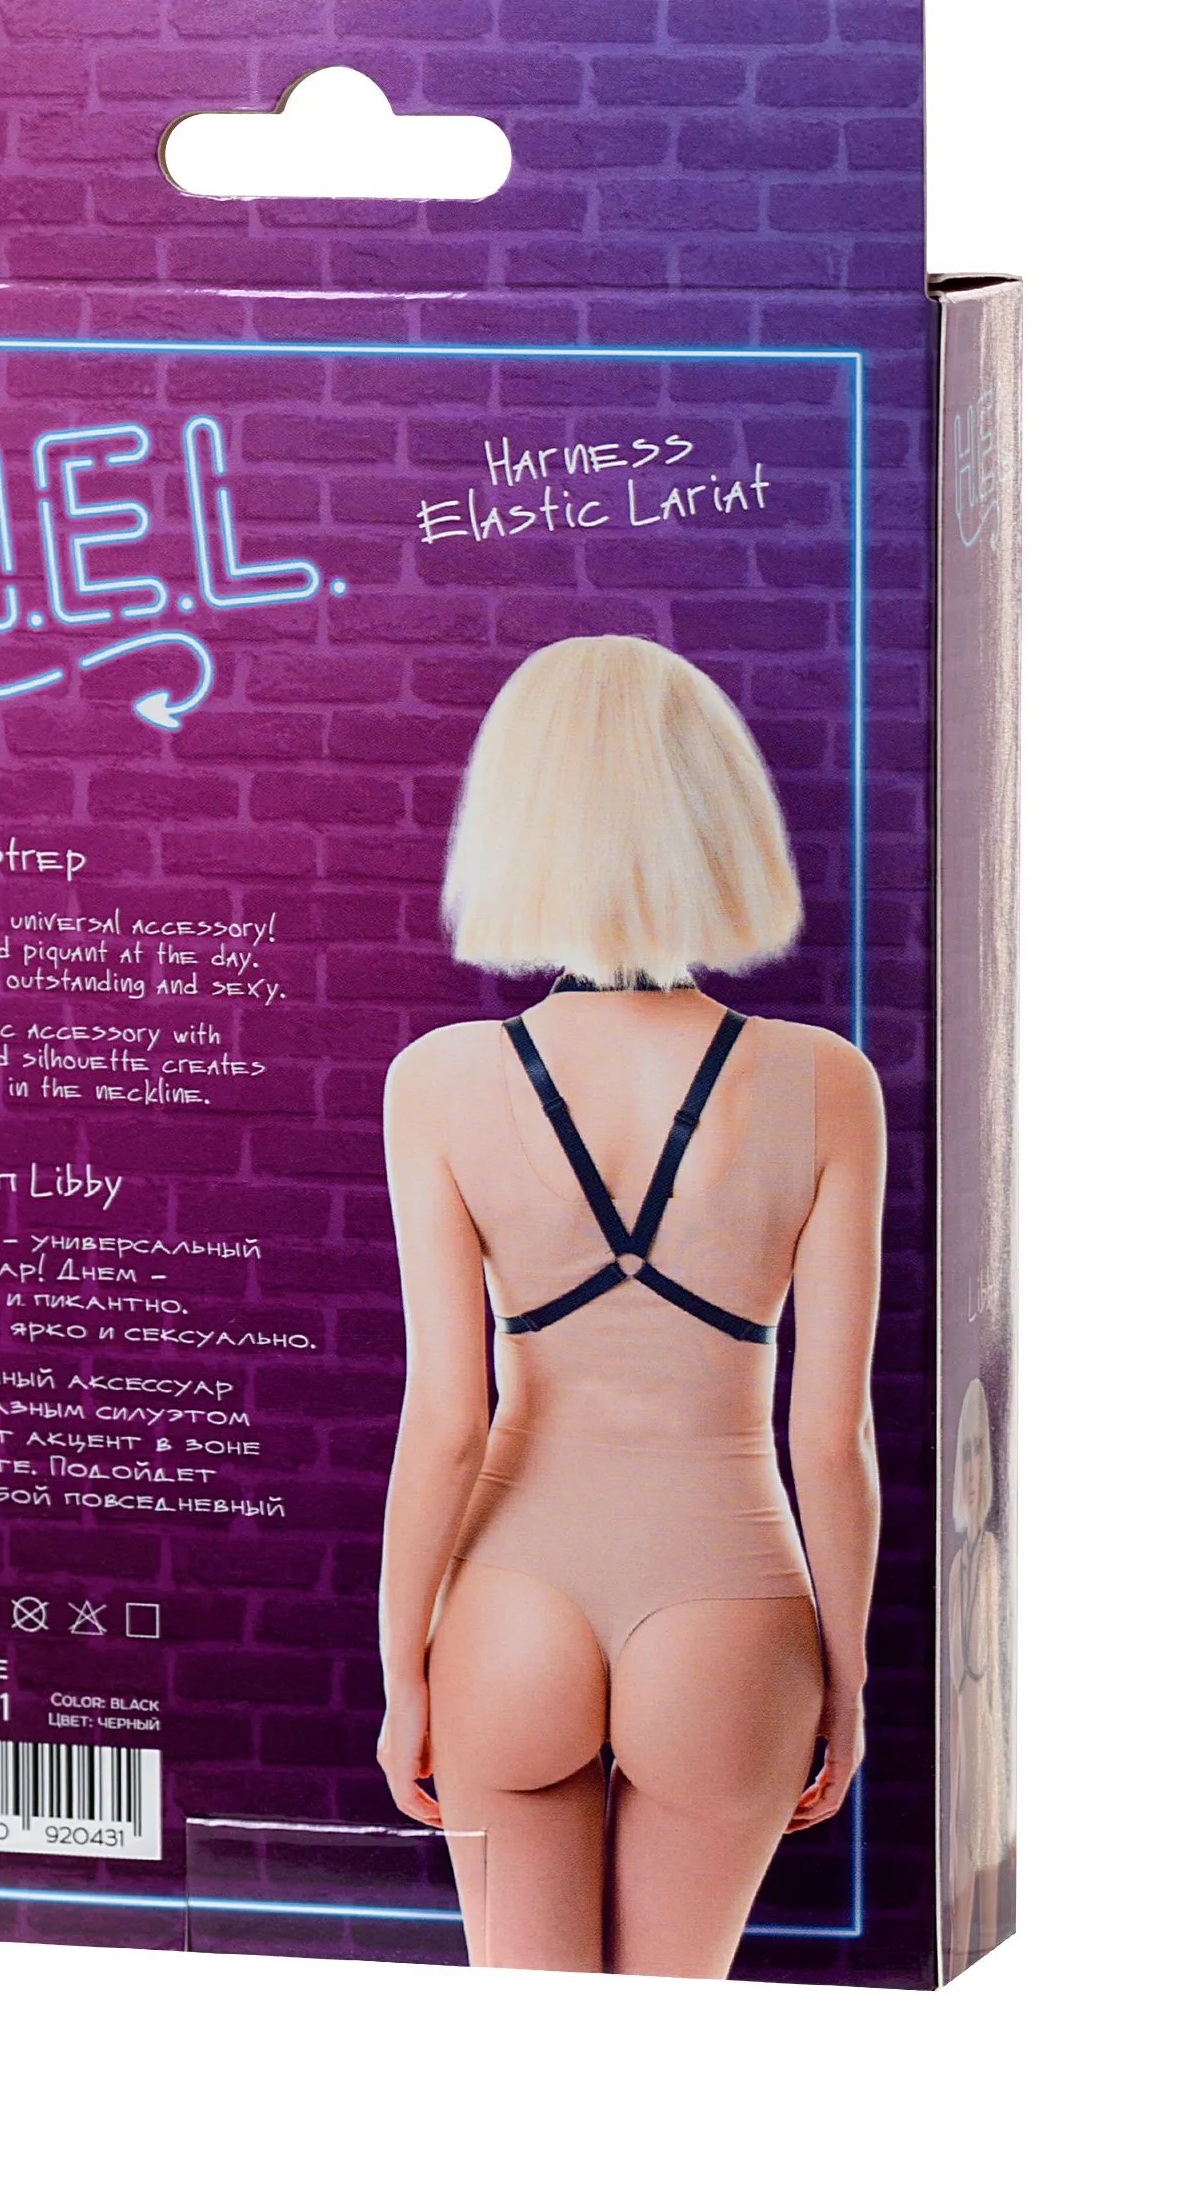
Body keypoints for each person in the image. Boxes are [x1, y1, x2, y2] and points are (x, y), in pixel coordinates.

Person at [376, 635, 884, 1976]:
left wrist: (401, 1672)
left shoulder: (439, 1081)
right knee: (669, 2052)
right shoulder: (825, 1083)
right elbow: (830, 1437)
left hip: (508, 1598)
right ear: (715, 818)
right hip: (732, 1600)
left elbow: (447, 1422)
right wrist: (848, 1676)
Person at [946, 1376, 1010, 1975]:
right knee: (960, 1853)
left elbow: (981, 1665)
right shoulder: (959, 1568)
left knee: (986, 1844)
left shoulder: (989, 1556)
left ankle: (984, 1956)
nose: (970, 1469)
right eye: (962, 1455)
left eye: (976, 1455)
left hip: (986, 1729)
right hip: (962, 1736)